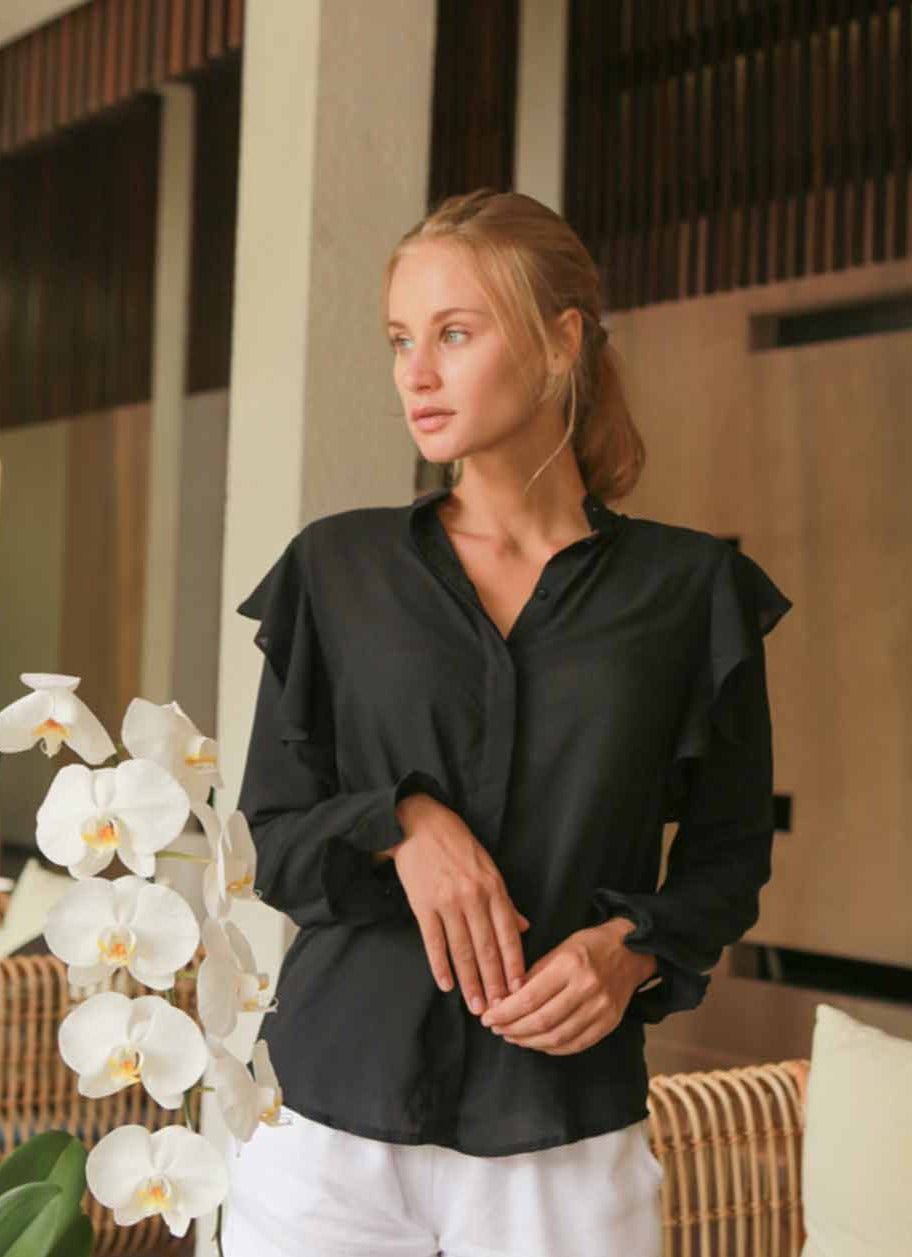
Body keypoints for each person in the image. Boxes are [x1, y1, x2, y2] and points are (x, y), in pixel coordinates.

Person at [221, 189, 792, 1257]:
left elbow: (727, 858)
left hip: (563, 1146)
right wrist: (403, 826)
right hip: (326, 1135)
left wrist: (631, 950)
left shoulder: (688, 591)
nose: (416, 373)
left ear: (559, 341)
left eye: (454, 333)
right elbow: (273, 839)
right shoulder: (338, 570)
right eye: (400, 339)